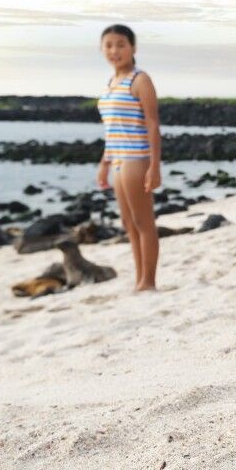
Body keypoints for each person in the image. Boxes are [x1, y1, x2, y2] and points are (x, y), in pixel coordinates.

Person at [96, 24, 161, 291]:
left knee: (143, 222)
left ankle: (149, 281)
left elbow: (153, 124)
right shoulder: (111, 83)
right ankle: (139, 279)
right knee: (128, 224)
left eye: (121, 44)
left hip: (137, 159)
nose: (115, 50)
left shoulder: (140, 80)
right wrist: (104, 164)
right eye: (109, 45)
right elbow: (113, 130)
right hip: (118, 160)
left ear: (133, 48)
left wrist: (154, 167)